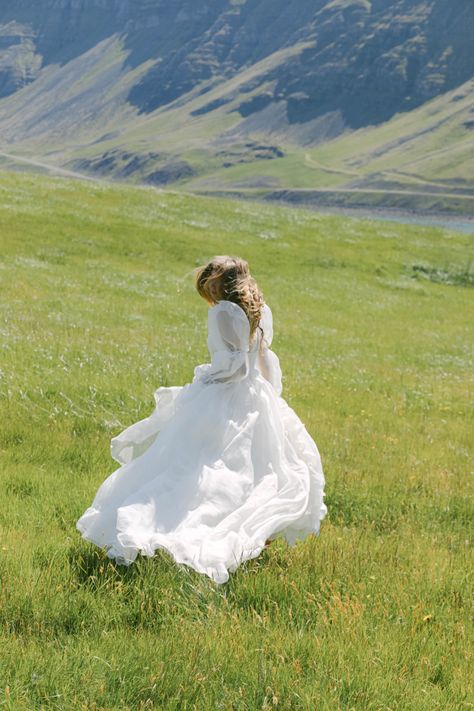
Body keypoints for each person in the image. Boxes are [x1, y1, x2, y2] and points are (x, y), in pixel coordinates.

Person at [76, 255, 327, 584]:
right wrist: (270, 393)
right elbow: (262, 357)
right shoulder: (260, 309)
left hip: (226, 396)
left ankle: (182, 526)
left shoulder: (222, 312)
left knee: (199, 464)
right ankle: (249, 529)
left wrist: (206, 380)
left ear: (216, 283)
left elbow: (233, 365)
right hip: (255, 395)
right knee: (255, 466)